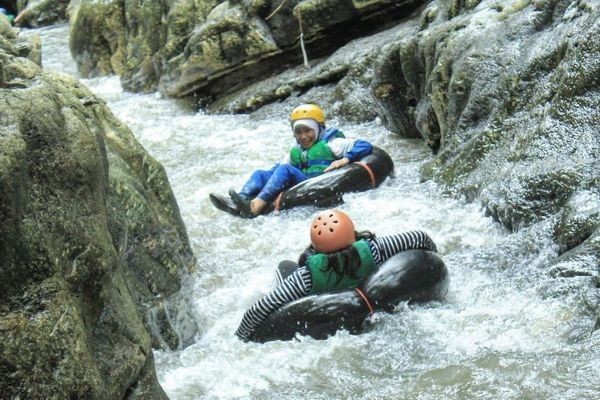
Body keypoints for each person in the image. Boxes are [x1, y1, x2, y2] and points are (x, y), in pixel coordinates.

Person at [235, 209, 438, 341]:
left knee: (284, 267)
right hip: (371, 304)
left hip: (329, 318)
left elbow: (259, 309)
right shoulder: (375, 249)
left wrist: (241, 338)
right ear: (353, 233)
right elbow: (420, 238)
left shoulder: (306, 276)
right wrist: (435, 258)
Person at [223, 104, 373, 218]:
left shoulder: (333, 143)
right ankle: (241, 200)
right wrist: (264, 179)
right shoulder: (295, 151)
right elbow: (275, 171)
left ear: (319, 128)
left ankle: (255, 206)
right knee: (260, 174)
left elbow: (365, 145)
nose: (303, 136)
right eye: (298, 132)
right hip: (299, 183)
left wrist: (344, 160)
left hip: (319, 182)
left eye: (308, 130)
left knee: (285, 170)